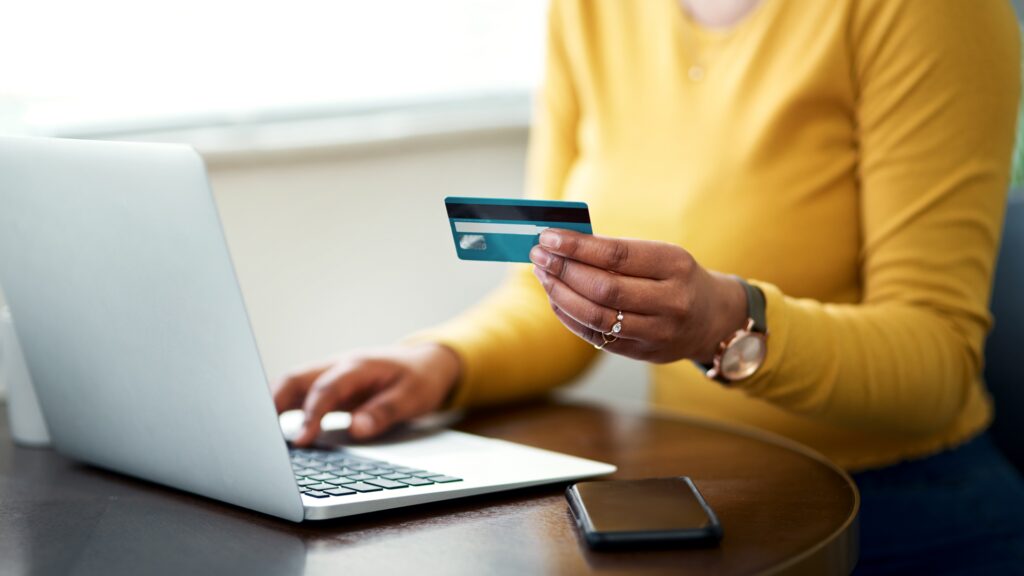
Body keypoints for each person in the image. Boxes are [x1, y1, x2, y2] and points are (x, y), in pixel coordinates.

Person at [274, 0, 1024, 572]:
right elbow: (552, 296)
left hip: (900, 513)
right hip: (704, 495)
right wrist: (438, 363)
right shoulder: (593, 10)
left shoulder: (927, 13)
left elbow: (937, 361)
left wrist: (730, 323)